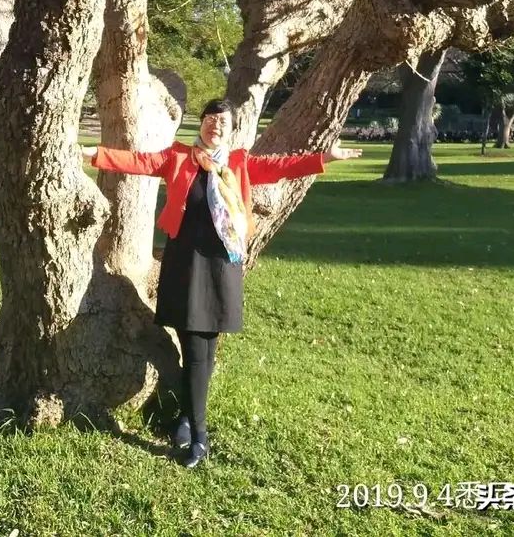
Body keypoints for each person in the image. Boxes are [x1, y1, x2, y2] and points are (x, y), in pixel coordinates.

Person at [81, 97, 362, 467]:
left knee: (204, 349)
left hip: (220, 266)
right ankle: (192, 426)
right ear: (202, 124)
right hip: (184, 264)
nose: (216, 126)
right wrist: (92, 153)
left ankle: (192, 426)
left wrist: (325, 158)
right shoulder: (179, 157)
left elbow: (281, 167)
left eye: (223, 123)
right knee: (195, 347)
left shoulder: (239, 164)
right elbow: (139, 162)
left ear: (231, 130)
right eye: (211, 120)